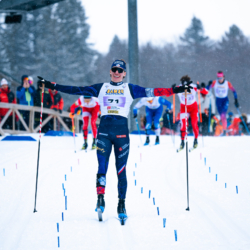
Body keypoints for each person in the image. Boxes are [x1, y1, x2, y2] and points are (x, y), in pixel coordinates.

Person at [37, 59, 192, 220]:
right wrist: (51, 85)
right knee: (102, 167)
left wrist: (178, 89)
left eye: (120, 70)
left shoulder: (130, 89)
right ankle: (100, 199)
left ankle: (121, 203)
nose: (117, 73)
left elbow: (154, 92)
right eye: (114, 70)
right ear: (110, 72)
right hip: (104, 131)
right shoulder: (101, 87)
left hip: (121, 134)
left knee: (121, 170)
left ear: (124, 73)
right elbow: (75, 90)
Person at [176, 75, 208, 150]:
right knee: (183, 124)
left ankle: (196, 140)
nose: (186, 87)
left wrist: (201, 88)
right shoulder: (178, 88)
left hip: (193, 108)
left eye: (187, 85)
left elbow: (206, 92)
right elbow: (169, 93)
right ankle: (182, 142)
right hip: (184, 107)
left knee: (194, 124)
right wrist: (172, 89)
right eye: (184, 85)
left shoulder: (193, 86)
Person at [207, 71, 239, 135]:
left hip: (225, 100)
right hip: (218, 100)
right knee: (221, 116)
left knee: (223, 115)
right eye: (218, 78)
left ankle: (224, 129)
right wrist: (209, 84)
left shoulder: (227, 83)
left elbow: (234, 91)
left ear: (223, 77)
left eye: (221, 78)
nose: (220, 80)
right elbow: (206, 89)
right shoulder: (214, 82)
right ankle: (223, 130)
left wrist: (236, 100)